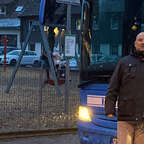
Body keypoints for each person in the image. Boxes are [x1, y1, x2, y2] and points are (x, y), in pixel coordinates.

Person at [105, 32, 144, 144]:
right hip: (125, 117)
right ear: (135, 43)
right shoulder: (124, 62)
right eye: (140, 40)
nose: (143, 42)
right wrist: (109, 109)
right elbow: (113, 87)